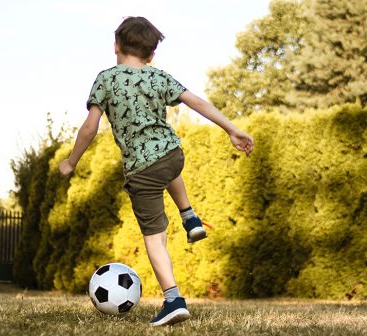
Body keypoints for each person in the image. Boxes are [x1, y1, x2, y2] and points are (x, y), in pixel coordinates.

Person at [59, 16, 254, 326]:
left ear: (116, 46)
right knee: (166, 162)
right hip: (173, 155)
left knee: (154, 239)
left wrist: (71, 161)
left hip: (141, 172)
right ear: (151, 55)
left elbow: (89, 127)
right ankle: (189, 216)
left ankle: (173, 299)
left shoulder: (106, 79)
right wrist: (232, 129)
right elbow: (197, 103)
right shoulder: (159, 77)